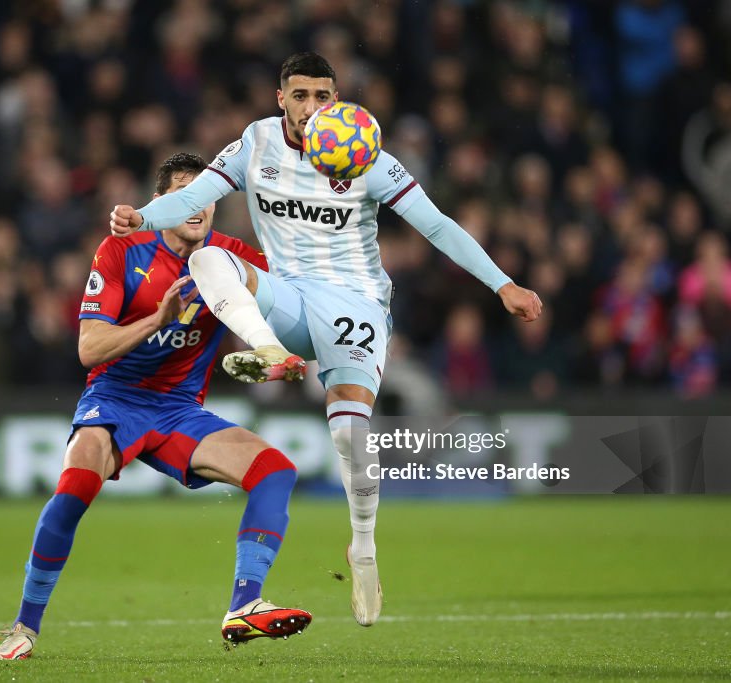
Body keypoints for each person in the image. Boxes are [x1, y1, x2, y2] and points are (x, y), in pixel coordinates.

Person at [109, 52, 542, 627]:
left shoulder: (364, 154)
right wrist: (141, 216)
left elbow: (435, 224)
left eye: (324, 96)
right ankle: (267, 351)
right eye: (302, 96)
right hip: (287, 301)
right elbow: (192, 200)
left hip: (355, 301)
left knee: (348, 437)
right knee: (210, 256)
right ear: (280, 98)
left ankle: (362, 544)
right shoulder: (255, 144)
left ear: (335, 100)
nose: (313, 108)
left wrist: (502, 283)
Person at [0, 153, 311, 660]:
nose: (198, 204)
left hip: (179, 410)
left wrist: (284, 354)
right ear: (160, 203)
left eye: (206, 194)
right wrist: (158, 317)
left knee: (276, 472)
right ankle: (24, 627)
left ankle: (245, 606)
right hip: (114, 399)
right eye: (184, 193)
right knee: (75, 487)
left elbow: (296, 301)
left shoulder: (231, 257)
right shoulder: (122, 250)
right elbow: (89, 350)